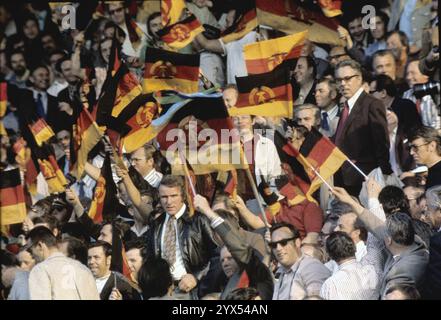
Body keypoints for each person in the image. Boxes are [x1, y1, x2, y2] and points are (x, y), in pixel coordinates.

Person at [332, 187, 430, 298]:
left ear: (388, 240)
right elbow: (375, 225)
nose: (381, 231)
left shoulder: (401, 274)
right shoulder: (411, 240)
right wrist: (349, 201)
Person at [145, 175, 220, 299]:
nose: (168, 202)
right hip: (163, 291)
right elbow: (150, 258)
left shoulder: (198, 220)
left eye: (173, 196)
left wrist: (196, 277)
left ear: (183, 196)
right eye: (164, 197)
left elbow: (218, 255)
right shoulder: (156, 224)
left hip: (192, 291)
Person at [194, 194, 274, 300]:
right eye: (222, 260)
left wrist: (208, 211)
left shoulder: (254, 266)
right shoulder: (232, 282)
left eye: (230, 258)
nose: (225, 263)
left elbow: (236, 245)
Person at [333, 59, 392, 196]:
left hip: (365, 178)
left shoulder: (372, 104)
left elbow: (381, 142)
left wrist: (384, 173)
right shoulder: (345, 108)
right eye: (339, 80)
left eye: (347, 79)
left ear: (359, 78)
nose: (342, 84)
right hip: (345, 177)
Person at [26, 226, 99, 300]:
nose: (30, 255)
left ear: (40, 245)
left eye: (30, 250)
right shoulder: (83, 268)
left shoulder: (40, 270)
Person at [270, 222, 330, 300]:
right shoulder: (280, 273)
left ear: (297, 242)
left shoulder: (311, 267)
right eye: (274, 245)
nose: (278, 248)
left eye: (283, 243)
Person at [320, 231, 379, 300]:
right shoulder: (372, 268)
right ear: (354, 246)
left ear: (330, 256)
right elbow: (375, 239)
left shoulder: (330, 285)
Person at [370, 74, 421, 138]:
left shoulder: (406, 106)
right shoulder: (374, 112)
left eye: (371, 92)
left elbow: (414, 133)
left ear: (383, 93)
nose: (369, 97)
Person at [403, 59, 440, 130]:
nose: (408, 77)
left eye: (413, 73)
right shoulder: (406, 95)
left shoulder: (436, 93)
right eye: (407, 74)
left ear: (426, 75)